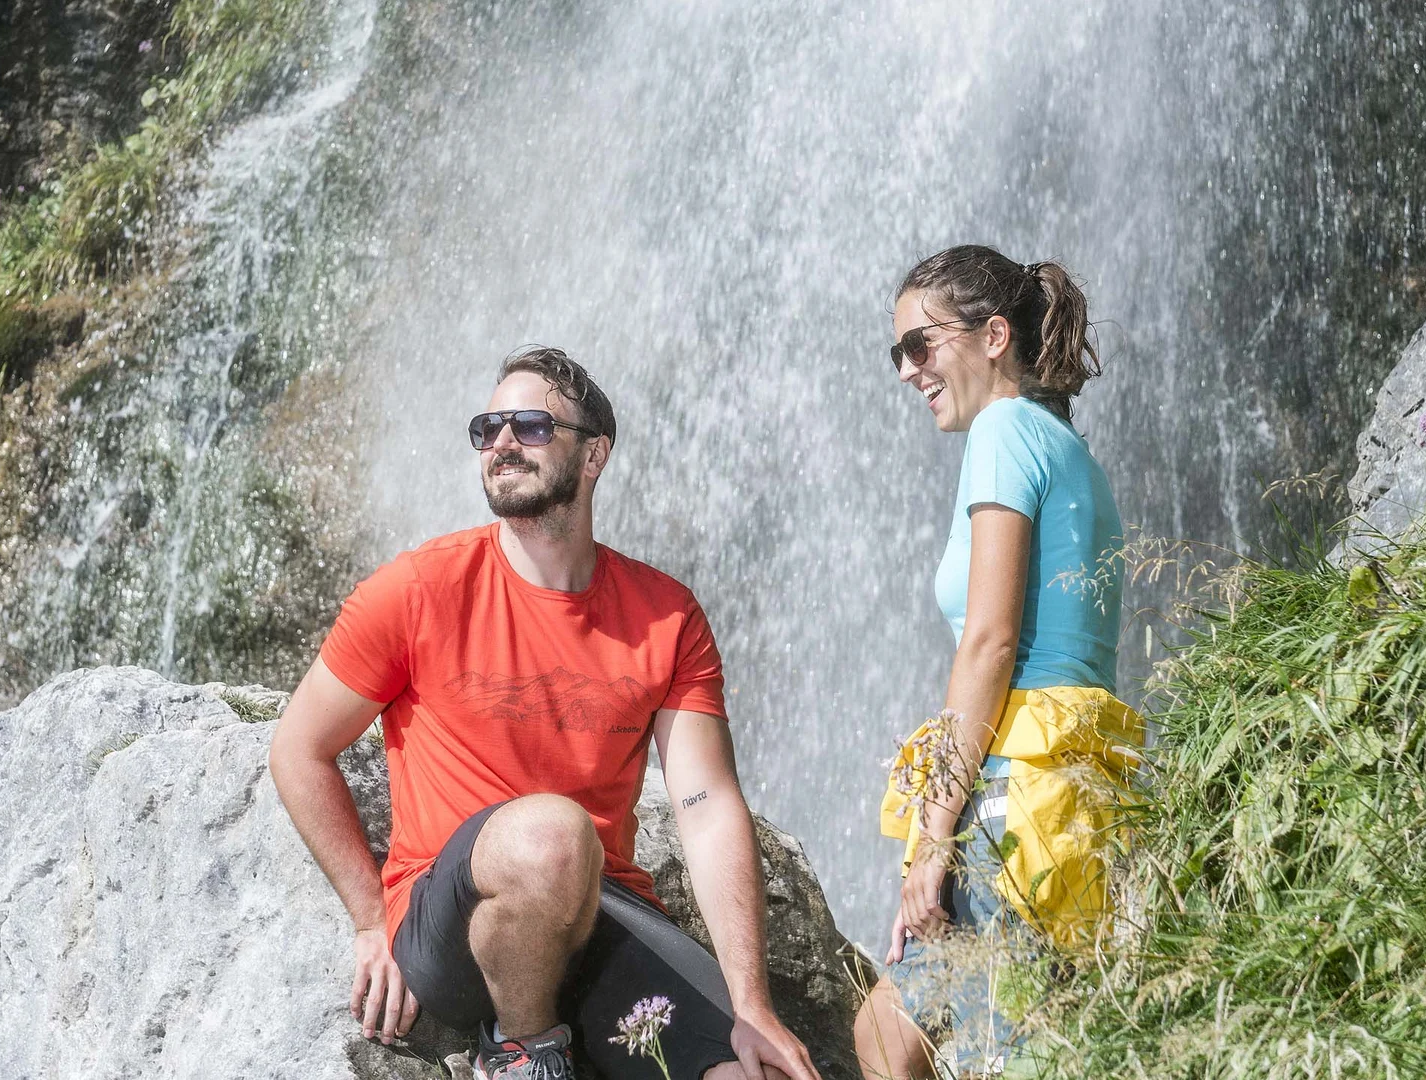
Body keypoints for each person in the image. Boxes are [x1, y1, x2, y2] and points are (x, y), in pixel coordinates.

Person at [270, 348, 820, 1080]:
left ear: (594, 454)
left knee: (756, 1075)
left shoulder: (666, 616)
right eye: (488, 427)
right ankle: (525, 1054)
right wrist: (372, 921)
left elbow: (706, 802)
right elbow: (298, 749)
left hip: (600, 917)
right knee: (551, 835)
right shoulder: (416, 590)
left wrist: (752, 1004)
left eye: (529, 426)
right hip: (457, 924)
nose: (501, 442)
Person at [852, 246, 1144, 1079]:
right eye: (896, 352)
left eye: (920, 344)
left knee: (989, 1054)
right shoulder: (1067, 447)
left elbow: (990, 641)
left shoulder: (1005, 430)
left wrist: (934, 834)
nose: (908, 370)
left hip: (1015, 803)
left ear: (993, 336)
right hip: (1072, 801)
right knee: (887, 1031)